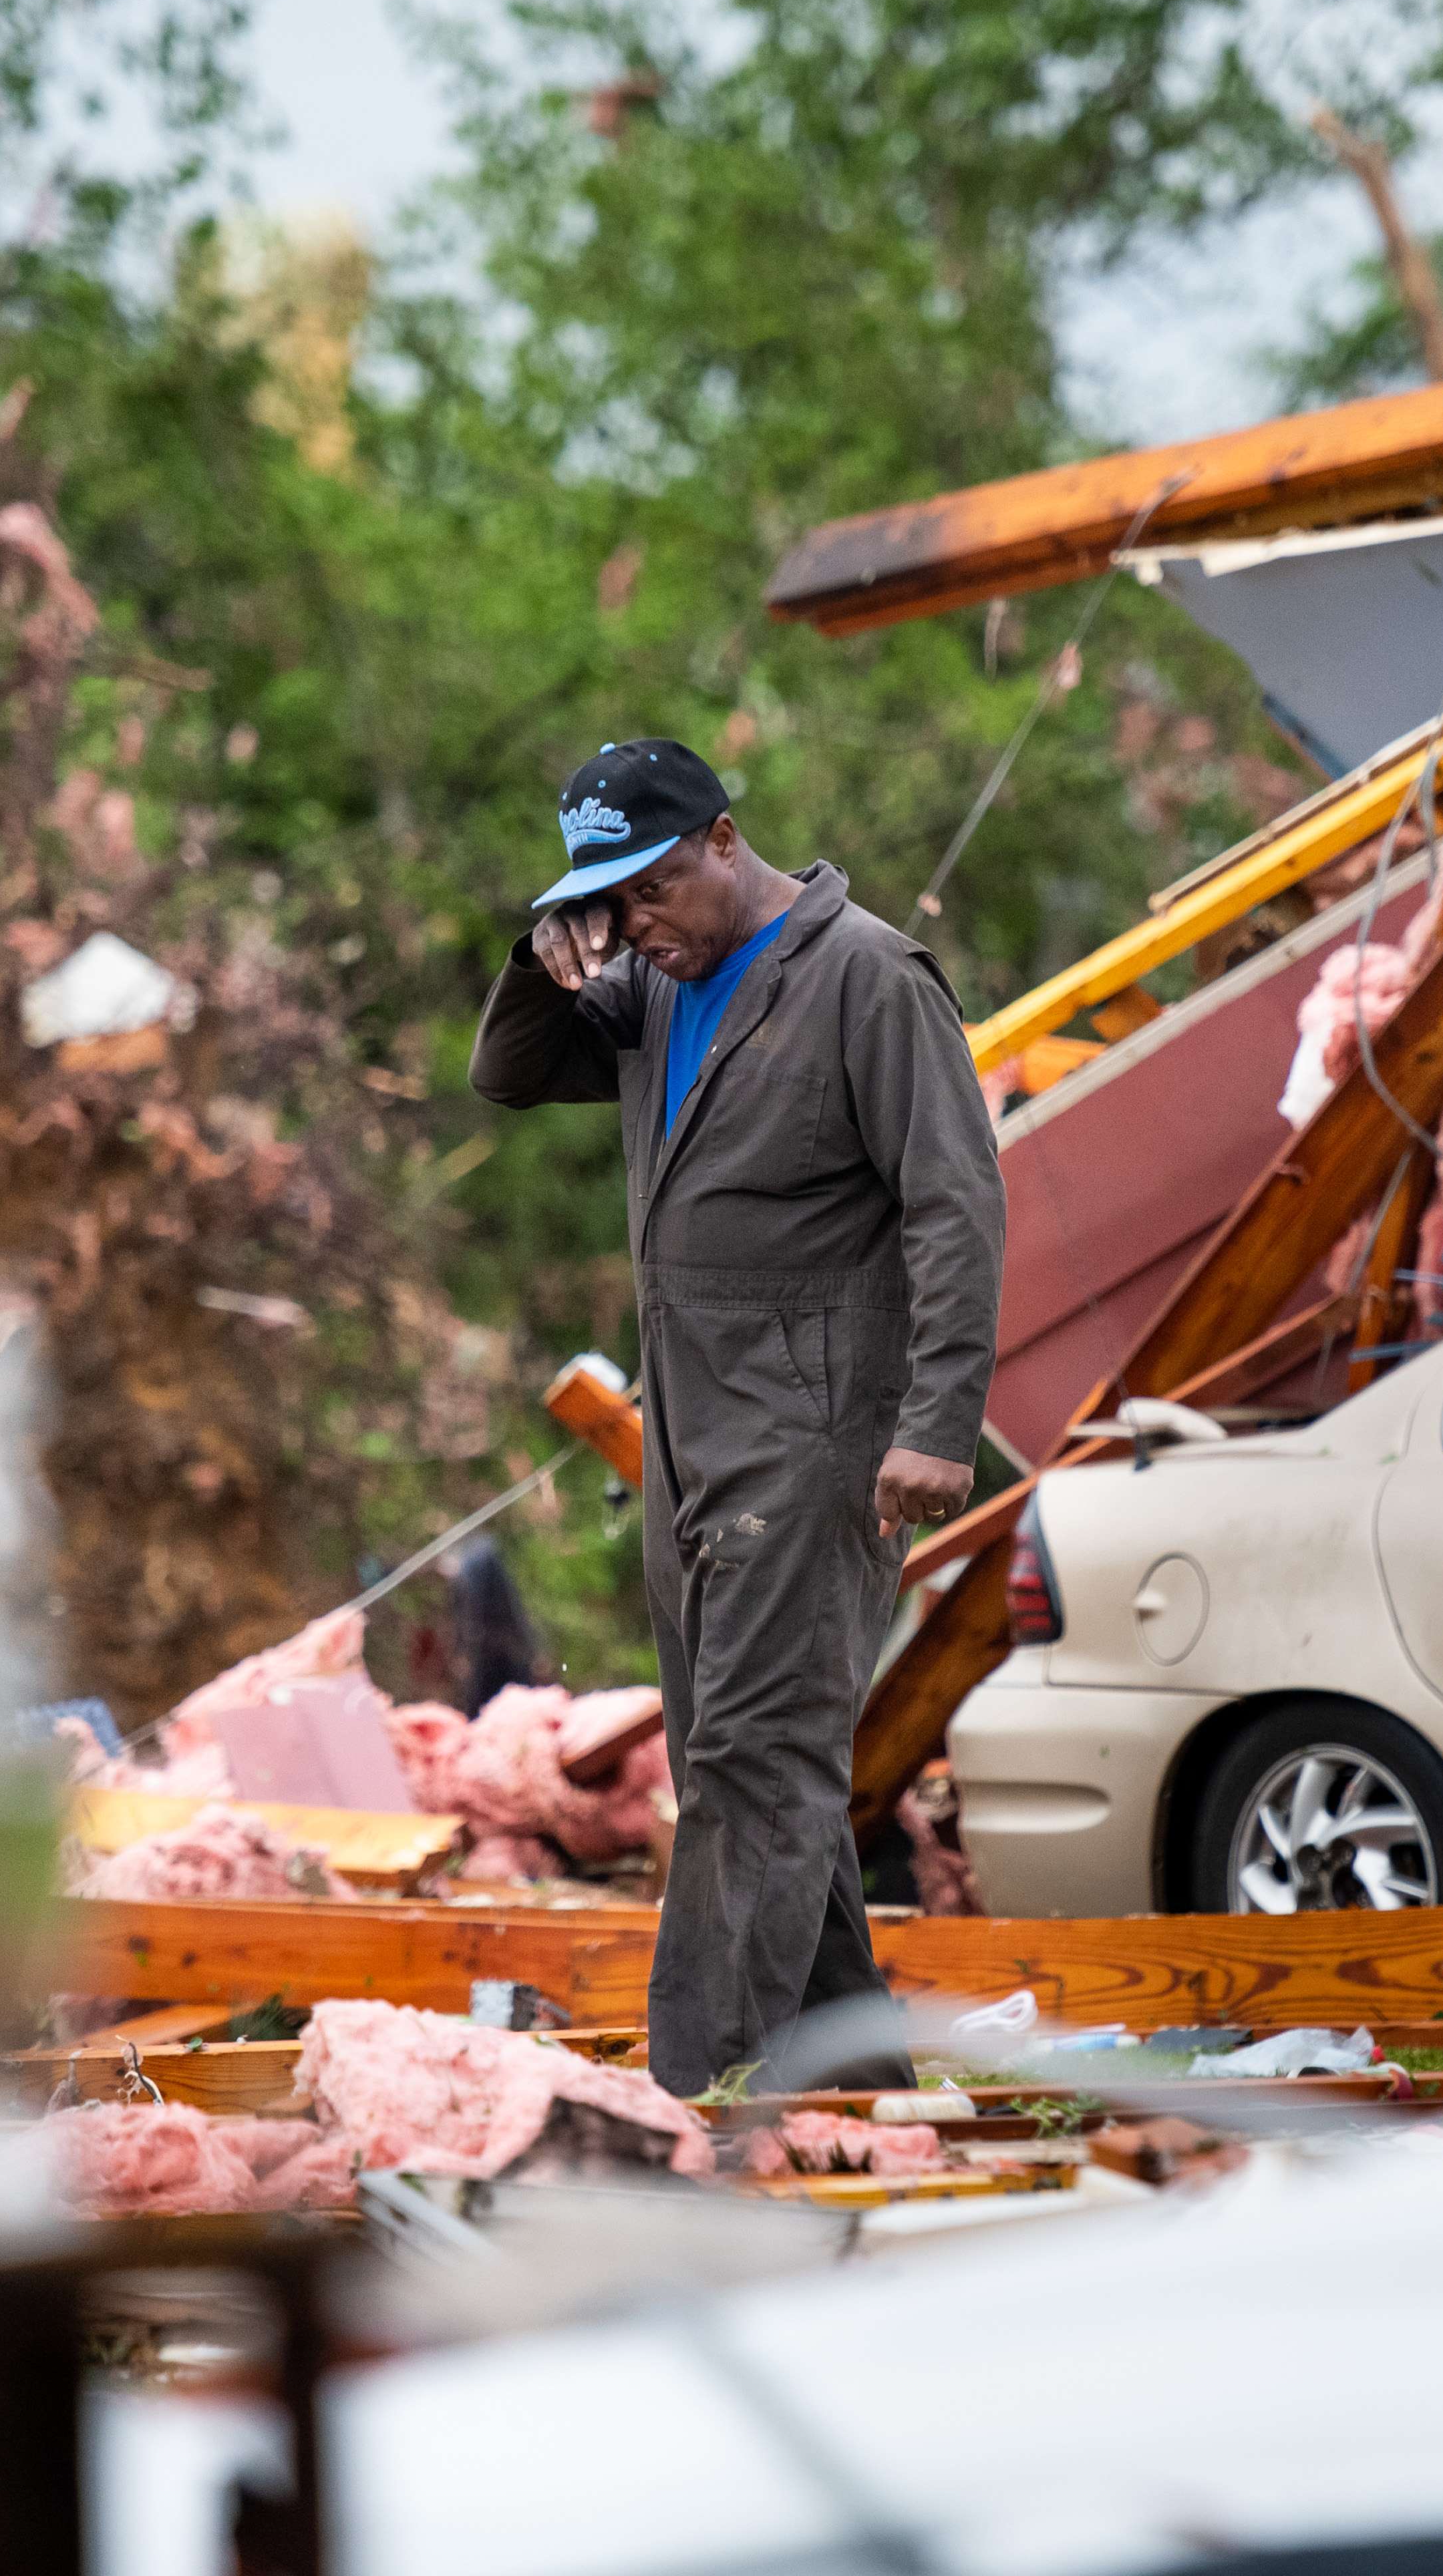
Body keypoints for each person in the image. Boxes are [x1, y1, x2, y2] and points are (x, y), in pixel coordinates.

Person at [471, 739, 1004, 2096]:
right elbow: (509, 1076)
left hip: (815, 1439)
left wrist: (938, 1420)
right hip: (691, 1440)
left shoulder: (864, 981)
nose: (635, 925)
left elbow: (956, 1204)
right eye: (609, 903)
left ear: (720, 839)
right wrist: (548, 952)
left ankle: (697, 2100)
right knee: (756, 1770)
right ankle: (857, 2077)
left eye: (645, 890)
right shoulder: (654, 984)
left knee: (752, 1772)